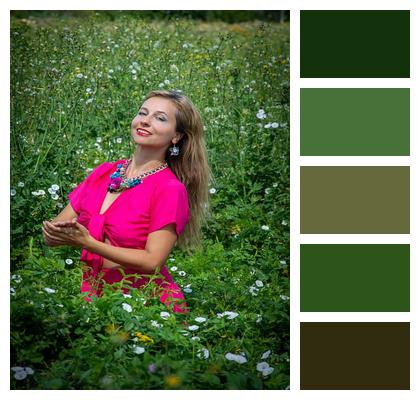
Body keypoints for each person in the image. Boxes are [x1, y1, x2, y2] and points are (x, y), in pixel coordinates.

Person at [41, 89, 212, 314]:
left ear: (176, 136)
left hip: (143, 308)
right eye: (143, 113)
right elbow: (53, 234)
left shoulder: (169, 189)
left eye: (160, 118)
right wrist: (56, 233)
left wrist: (87, 243)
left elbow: (152, 261)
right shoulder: (104, 173)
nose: (145, 121)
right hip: (93, 300)